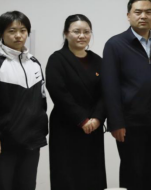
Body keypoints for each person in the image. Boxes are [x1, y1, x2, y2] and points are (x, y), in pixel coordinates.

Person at [0, 11, 48, 190]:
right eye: (12, 31)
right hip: (2, 143)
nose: (18, 35)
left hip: (31, 142)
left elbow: (41, 102)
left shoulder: (34, 63)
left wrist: (40, 132)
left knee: (27, 186)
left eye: (23, 30)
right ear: (1, 34)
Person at [102, 0, 151, 191]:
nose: (143, 16)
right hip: (130, 123)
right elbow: (110, 86)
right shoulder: (115, 44)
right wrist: (116, 122)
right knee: (132, 174)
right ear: (128, 15)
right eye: (138, 12)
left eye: (148, 12)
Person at [46, 14, 106, 190]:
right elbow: (59, 92)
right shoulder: (57, 59)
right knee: (66, 174)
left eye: (86, 32)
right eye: (76, 31)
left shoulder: (98, 60)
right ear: (66, 34)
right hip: (66, 125)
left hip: (93, 126)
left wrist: (97, 118)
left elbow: (106, 93)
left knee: (92, 174)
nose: (82, 36)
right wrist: (82, 119)